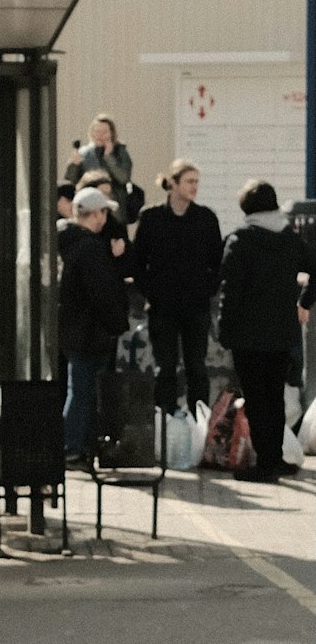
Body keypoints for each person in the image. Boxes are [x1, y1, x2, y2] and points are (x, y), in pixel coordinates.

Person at [217, 179, 316, 482]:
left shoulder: (240, 240)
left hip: (248, 335)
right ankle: (275, 458)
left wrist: (224, 330)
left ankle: (266, 465)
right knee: (274, 397)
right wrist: (305, 302)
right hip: (283, 333)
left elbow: (229, 291)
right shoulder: (290, 239)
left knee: (257, 400)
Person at [132, 159, 223, 415]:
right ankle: (167, 424)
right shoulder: (151, 218)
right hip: (163, 306)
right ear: (173, 184)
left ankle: (199, 423)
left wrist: (207, 289)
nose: (195, 187)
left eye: (197, 181)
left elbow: (218, 261)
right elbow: (138, 261)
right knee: (165, 369)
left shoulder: (205, 218)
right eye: (189, 181)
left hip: (196, 305)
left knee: (197, 368)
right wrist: (150, 292)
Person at [59, 188, 130, 464]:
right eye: (104, 212)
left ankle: (75, 444)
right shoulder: (91, 248)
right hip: (90, 331)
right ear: (96, 214)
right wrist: (116, 323)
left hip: (75, 329)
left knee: (78, 389)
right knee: (83, 392)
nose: (106, 218)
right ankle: (73, 445)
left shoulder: (70, 243)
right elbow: (101, 292)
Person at [63, 114, 134, 215]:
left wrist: (109, 157)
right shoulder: (84, 153)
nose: (100, 135)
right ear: (91, 133)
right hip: (89, 206)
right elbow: (71, 181)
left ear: (112, 133)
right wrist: (74, 165)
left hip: (115, 207)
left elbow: (124, 178)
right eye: (97, 131)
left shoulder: (120, 151)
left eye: (104, 132)